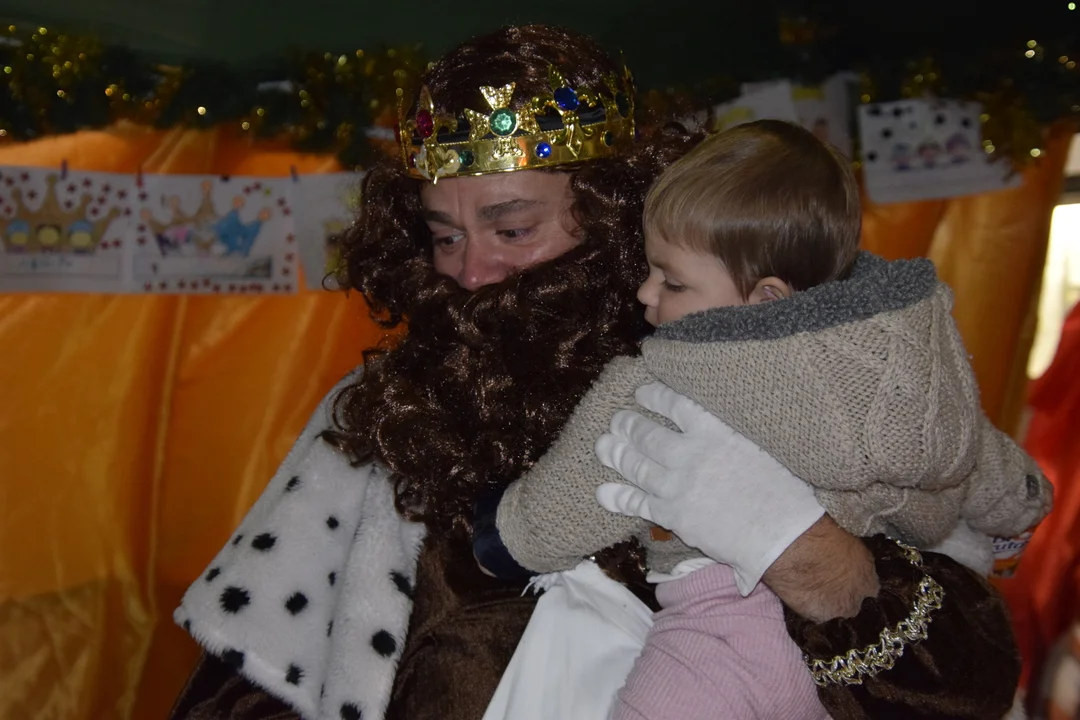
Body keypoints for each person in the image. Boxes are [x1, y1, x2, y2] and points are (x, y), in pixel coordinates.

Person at [169, 24, 1026, 720]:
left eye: (512, 229)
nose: (471, 272)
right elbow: (253, 681)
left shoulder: (776, 373)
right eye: (444, 235)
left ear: (612, 217)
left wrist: (804, 552)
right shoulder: (381, 415)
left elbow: (963, 684)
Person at [477, 119, 1051, 720]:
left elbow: (573, 497)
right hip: (844, 653)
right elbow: (977, 454)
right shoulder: (902, 362)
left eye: (673, 281)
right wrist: (1018, 511)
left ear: (766, 298)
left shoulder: (666, 381)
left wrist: (502, 538)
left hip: (722, 630)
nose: (646, 294)